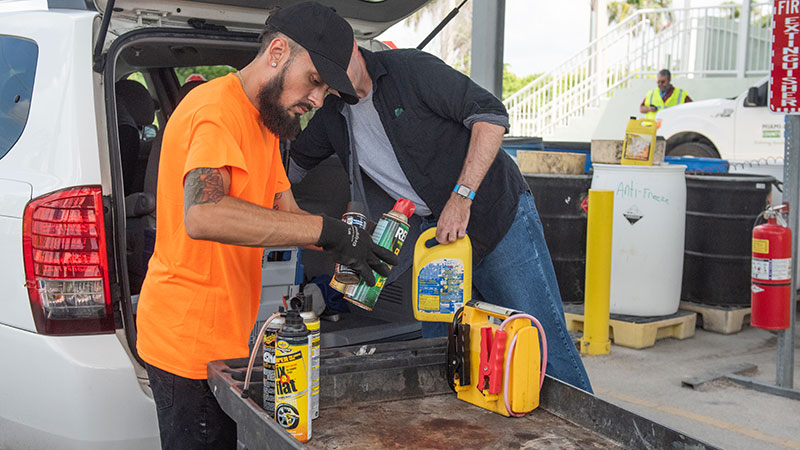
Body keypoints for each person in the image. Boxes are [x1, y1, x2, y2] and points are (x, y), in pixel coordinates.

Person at [135, 3, 397, 449]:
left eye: (325, 91)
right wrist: (326, 232)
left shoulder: (265, 124)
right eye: (314, 81)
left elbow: (286, 214)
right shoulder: (216, 109)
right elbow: (204, 213)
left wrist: (346, 245)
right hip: (188, 345)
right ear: (277, 51)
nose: (316, 101)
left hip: (228, 341)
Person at [288, 41, 593, 393]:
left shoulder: (412, 70)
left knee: (539, 339)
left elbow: (491, 117)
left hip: (496, 216)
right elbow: (291, 168)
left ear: (355, 48)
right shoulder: (332, 115)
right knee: (447, 352)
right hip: (435, 238)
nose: (339, 85)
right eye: (328, 79)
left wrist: (461, 197)